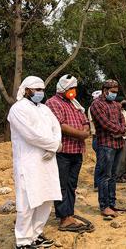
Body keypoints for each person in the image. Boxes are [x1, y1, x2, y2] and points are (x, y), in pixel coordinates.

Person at [8, 76, 62, 249]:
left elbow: (56, 127)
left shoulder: (45, 109)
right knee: (27, 201)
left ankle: (36, 235)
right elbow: (30, 135)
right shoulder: (18, 109)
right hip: (28, 162)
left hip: (47, 161)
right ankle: (23, 240)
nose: (40, 93)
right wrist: (54, 145)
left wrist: (53, 147)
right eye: (36, 89)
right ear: (26, 90)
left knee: (46, 198)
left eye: (42, 89)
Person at [46, 74, 91, 232]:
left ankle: (69, 214)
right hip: (63, 150)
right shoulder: (53, 103)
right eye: (71, 88)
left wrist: (85, 131)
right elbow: (60, 125)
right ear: (64, 88)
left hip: (77, 150)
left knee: (71, 184)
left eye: (74, 88)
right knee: (62, 185)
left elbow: (85, 121)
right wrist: (80, 134)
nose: (74, 91)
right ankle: (64, 217)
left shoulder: (75, 104)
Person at [90, 79, 126, 219]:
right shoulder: (96, 105)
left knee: (112, 176)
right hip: (105, 144)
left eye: (116, 92)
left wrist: (120, 130)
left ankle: (112, 204)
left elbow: (122, 120)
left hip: (117, 144)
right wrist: (119, 130)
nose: (114, 94)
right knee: (104, 176)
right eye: (112, 91)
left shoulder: (116, 105)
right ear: (105, 90)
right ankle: (104, 206)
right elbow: (105, 124)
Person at [88, 90, 102, 190]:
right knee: (100, 162)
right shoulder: (93, 108)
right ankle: (97, 184)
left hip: (99, 137)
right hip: (98, 137)